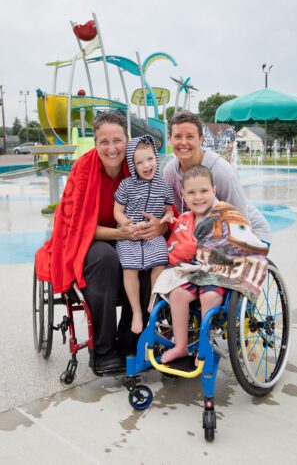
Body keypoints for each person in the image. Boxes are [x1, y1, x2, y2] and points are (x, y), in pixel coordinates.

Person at [35, 111, 167, 372]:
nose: (111, 148)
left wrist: (158, 225)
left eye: (117, 140)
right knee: (106, 258)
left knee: (147, 258)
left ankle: (132, 342)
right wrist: (119, 234)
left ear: (126, 140)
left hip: (130, 235)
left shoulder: (136, 162)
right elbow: (76, 226)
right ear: (95, 143)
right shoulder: (83, 169)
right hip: (93, 239)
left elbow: (160, 200)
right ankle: (103, 349)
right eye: (103, 142)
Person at [163, 111, 272, 245]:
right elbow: (180, 215)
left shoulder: (221, 172)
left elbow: (242, 220)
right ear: (170, 139)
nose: (183, 142)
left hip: (252, 234)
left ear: (201, 138)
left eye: (190, 136)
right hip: (208, 234)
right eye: (178, 136)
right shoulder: (170, 172)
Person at [160, 165, 224, 364]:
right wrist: (182, 255)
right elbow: (174, 247)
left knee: (209, 295)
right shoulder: (184, 220)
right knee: (177, 294)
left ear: (214, 190)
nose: (198, 197)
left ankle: (205, 344)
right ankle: (181, 345)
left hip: (216, 272)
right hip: (190, 271)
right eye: (191, 193)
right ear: (184, 196)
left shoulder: (223, 216)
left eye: (204, 191)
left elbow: (231, 248)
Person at [114, 135, 175, 334]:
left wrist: (167, 217)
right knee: (129, 269)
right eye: (139, 162)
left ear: (156, 158)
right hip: (130, 235)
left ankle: (152, 299)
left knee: (160, 260)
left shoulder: (164, 185)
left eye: (150, 159)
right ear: (133, 166)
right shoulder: (126, 185)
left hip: (152, 235)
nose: (146, 165)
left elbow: (169, 209)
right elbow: (117, 211)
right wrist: (125, 225)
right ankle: (136, 312)